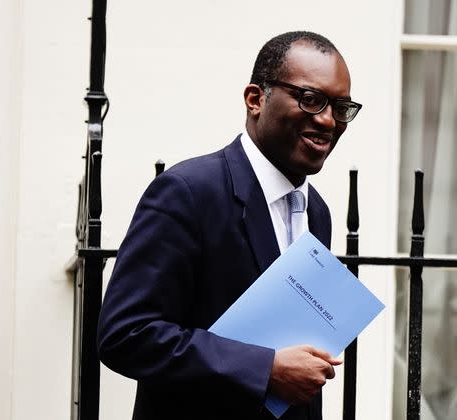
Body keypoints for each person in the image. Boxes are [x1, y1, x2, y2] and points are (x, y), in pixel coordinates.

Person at [97, 30, 362, 420]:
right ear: (256, 99)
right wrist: (265, 368)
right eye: (310, 99)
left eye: (341, 108)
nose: (327, 120)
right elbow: (125, 334)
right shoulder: (188, 192)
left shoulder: (317, 212)